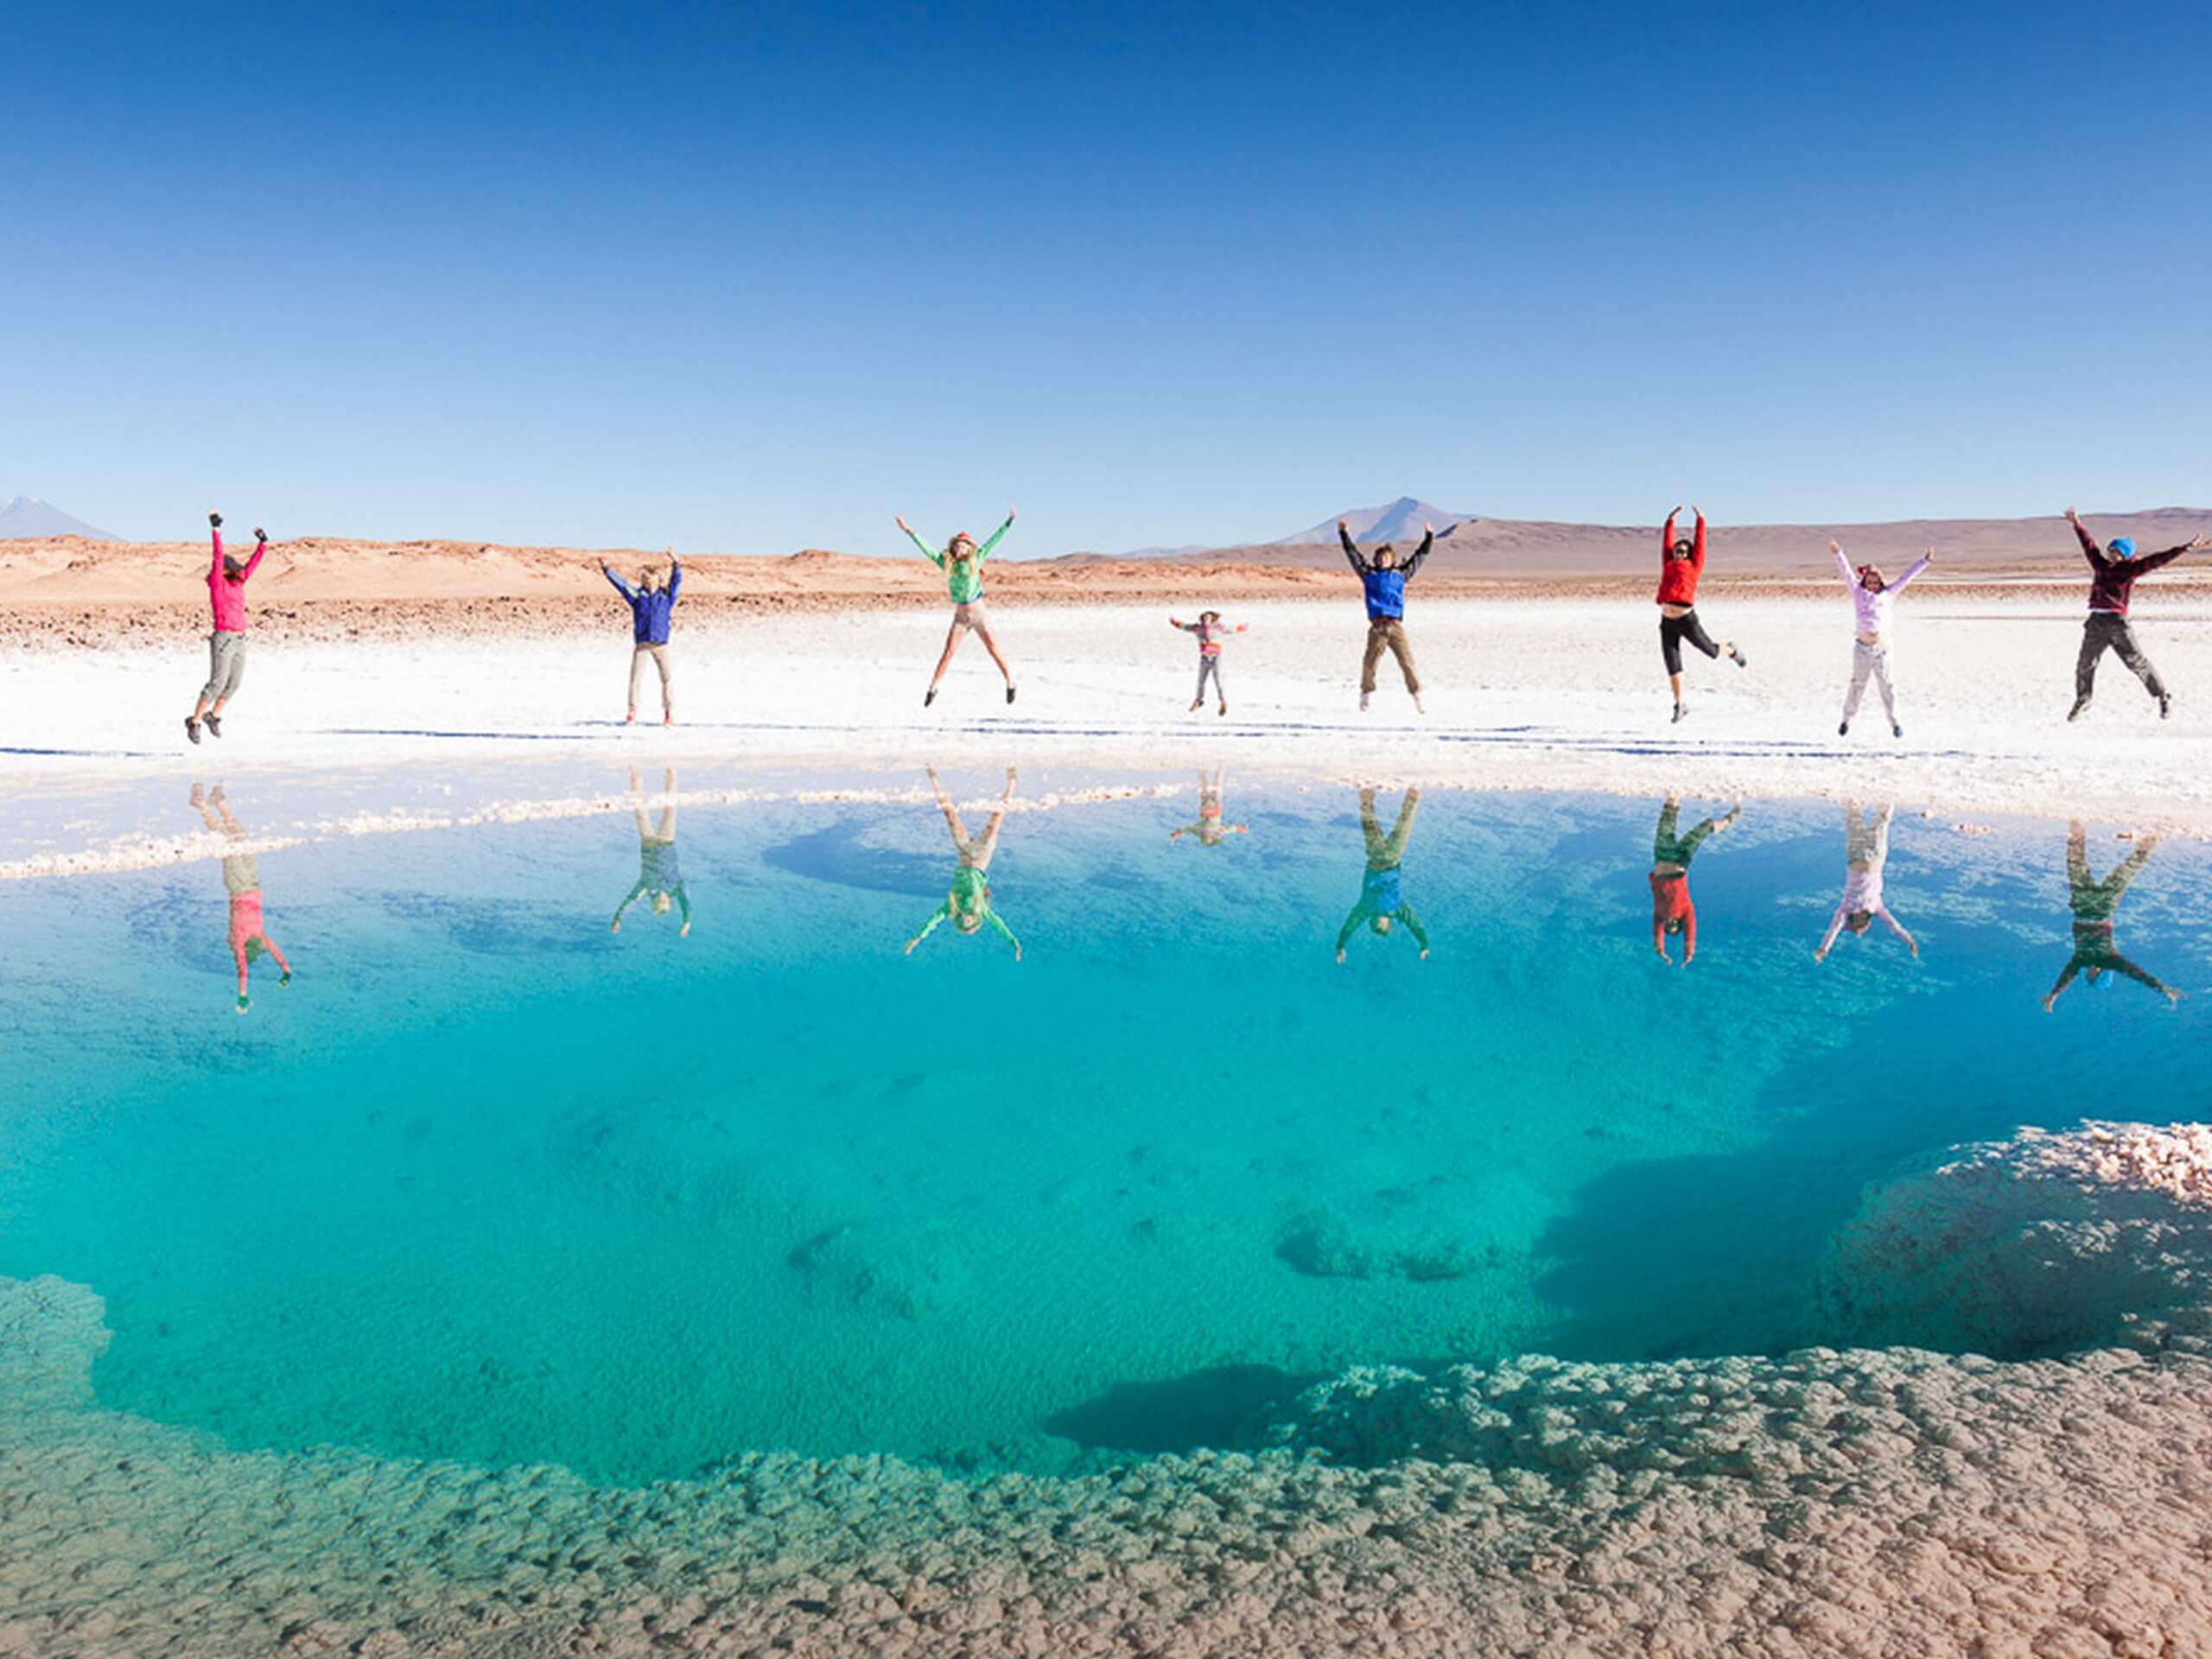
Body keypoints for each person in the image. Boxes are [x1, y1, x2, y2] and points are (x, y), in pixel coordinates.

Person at [2063, 507, 2211, 722]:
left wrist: (2185, 548)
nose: (2111, 554)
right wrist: (2077, 523)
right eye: (2110, 550)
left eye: (2116, 551)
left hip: (2117, 623)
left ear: (2125, 554)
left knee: (2136, 662)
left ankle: (2162, 696)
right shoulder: (2101, 565)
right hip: (2095, 622)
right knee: (2085, 663)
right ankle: (2083, 700)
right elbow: (2089, 546)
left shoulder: (2131, 570)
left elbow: (2158, 560)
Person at [2042, 822, 2180, 1009]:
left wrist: (2054, 994)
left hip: (2085, 907)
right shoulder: (2111, 960)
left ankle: (2077, 826)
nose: (2087, 975)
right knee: (2122, 872)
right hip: (2099, 910)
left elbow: (2067, 976)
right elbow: (2137, 974)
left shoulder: (2081, 960)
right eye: (2091, 977)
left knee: (2079, 865)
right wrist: (2161, 988)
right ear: (2099, 974)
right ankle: (2151, 839)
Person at [899, 509, 1017, 706]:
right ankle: (933, 688)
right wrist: (910, 531)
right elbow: (927, 549)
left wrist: (1009, 522)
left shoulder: (977, 558)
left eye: (963, 546)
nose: (959, 549)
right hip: (961, 616)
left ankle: (1010, 682)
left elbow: (994, 541)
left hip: (979, 613)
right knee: (948, 652)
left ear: (969, 548)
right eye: (957, 546)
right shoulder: (946, 564)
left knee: (992, 648)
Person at [191, 782, 291, 1013]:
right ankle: (219, 802)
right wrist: (286, 971)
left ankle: (201, 806)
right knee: (242, 836)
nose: (264, 949)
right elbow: (274, 956)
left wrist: (243, 997)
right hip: (253, 882)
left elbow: (243, 972)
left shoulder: (239, 941)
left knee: (227, 840)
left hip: (237, 885)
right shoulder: (260, 937)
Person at [906, 765, 1021, 956]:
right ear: (975, 921)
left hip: (964, 854)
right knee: (997, 817)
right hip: (981, 858)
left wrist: (917, 938)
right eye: (971, 924)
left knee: (950, 816)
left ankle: (933, 776)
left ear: (960, 921)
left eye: (965, 924)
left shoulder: (951, 907)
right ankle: (1012, 782)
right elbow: (999, 925)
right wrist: (1013, 942)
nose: (968, 921)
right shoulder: (981, 909)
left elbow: (933, 921)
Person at [1830, 539, 1932, 739]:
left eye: (1876, 582)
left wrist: (1924, 561)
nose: (1873, 585)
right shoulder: (1858, 593)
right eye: (1869, 582)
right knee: (1857, 684)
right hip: (1861, 648)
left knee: (1887, 685)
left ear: (1881, 582)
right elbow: (1846, 572)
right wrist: (1838, 553)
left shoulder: (1889, 594)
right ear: (1864, 582)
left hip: (1882, 649)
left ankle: (1895, 723)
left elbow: (1906, 578)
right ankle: (1846, 720)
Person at [1655, 505, 1747, 723]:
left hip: (1687, 620)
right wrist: (1669, 521)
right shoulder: (1668, 564)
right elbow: (1666, 545)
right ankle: (1679, 705)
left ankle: (1730, 650)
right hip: (1667, 621)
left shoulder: (1694, 566)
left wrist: (1701, 520)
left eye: (1683, 552)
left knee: (1711, 651)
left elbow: (1700, 546)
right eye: (1677, 551)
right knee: (1672, 663)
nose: (1679, 554)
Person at [1338, 518, 1438, 713]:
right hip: (1377, 627)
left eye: (1386, 558)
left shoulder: (1400, 575)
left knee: (1407, 662)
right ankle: (1365, 695)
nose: (1382, 560)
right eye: (1380, 558)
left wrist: (1429, 537)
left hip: (1395, 626)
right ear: (1376, 560)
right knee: (1369, 663)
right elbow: (1353, 555)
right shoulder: (1369, 575)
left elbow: (1419, 557)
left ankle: (1418, 697)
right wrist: (1344, 534)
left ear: (1391, 559)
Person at [186, 512, 270, 745]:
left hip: (240, 638)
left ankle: (213, 716)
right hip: (223, 637)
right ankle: (194, 721)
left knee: (234, 684)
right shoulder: (217, 584)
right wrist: (216, 531)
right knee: (216, 683)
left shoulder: (238, 583)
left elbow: (252, 566)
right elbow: (217, 555)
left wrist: (263, 544)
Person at [1813, 803, 1916, 960]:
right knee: (1854, 819)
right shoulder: (1847, 909)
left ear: (1865, 922)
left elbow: (1894, 927)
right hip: (1856, 858)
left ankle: (1886, 795)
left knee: (1881, 821)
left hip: (1874, 860)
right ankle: (1852, 795)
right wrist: (1822, 950)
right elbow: (1833, 930)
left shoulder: (1875, 907)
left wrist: (1910, 941)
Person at [1335, 786, 1428, 961]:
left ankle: (1366, 795)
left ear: (1371, 923)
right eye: (1382, 927)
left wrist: (1340, 946)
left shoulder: (1365, 909)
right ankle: (1413, 794)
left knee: (1370, 826)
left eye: (1376, 927)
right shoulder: (1398, 909)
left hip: (1375, 859)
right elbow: (1414, 925)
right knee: (1403, 826)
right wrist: (1424, 944)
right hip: (1392, 859)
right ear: (1388, 925)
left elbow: (1350, 926)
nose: (1379, 925)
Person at [1649, 794, 1738, 966]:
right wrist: (1688, 955)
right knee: (1701, 831)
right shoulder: (1686, 912)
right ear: (1679, 923)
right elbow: (1690, 934)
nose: (1670, 922)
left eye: (1668, 926)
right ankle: (1726, 820)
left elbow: (1656, 933)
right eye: (1675, 925)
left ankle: (1673, 798)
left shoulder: (1658, 915)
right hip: (1681, 862)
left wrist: (1661, 952)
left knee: (1665, 826)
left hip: (1662, 858)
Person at [600, 550, 682, 725]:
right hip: (642, 643)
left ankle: (668, 713)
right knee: (636, 678)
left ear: (658, 582)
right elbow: (621, 585)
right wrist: (607, 570)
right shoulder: (637, 596)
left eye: (653, 582)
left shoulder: (666, 596)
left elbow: (676, 583)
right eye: (646, 582)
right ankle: (632, 710)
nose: (650, 585)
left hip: (661, 644)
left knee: (666, 678)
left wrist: (676, 565)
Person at [611, 766, 691, 935]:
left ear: (654, 902)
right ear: (669, 902)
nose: (661, 901)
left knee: (640, 811)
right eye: (664, 903)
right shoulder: (676, 886)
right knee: (669, 810)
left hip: (647, 843)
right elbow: (686, 903)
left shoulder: (646, 887)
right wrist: (686, 922)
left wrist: (618, 918)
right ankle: (671, 774)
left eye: (657, 903)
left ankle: (635, 777)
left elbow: (631, 900)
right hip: (666, 842)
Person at [1168, 610, 1246, 715]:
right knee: (1201, 681)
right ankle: (1199, 700)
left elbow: (1232, 629)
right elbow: (1184, 626)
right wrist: (1173, 621)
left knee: (1218, 681)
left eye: (1208, 618)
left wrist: (1243, 627)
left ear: (1212, 619)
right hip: (1204, 657)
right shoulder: (1197, 628)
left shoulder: (1218, 627)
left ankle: (1223, 702)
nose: (1206, 620)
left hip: (1216, 658)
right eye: (1204, 618)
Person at [1168, 765, 1249, 849]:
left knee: (1204, 787)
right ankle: (1220, 767)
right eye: (1209, 838)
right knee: (1217, 785)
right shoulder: (1218, 832)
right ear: (1213, 837)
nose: (1207, 836)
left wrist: (1177, 834)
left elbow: (1188, 829)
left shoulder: (1199, 832)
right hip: (1215, 806)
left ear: (1203, 838)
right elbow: (1231, 829)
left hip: (1205, 807)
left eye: (1206, 838)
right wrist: (1241, 829)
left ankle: (1200, 767)